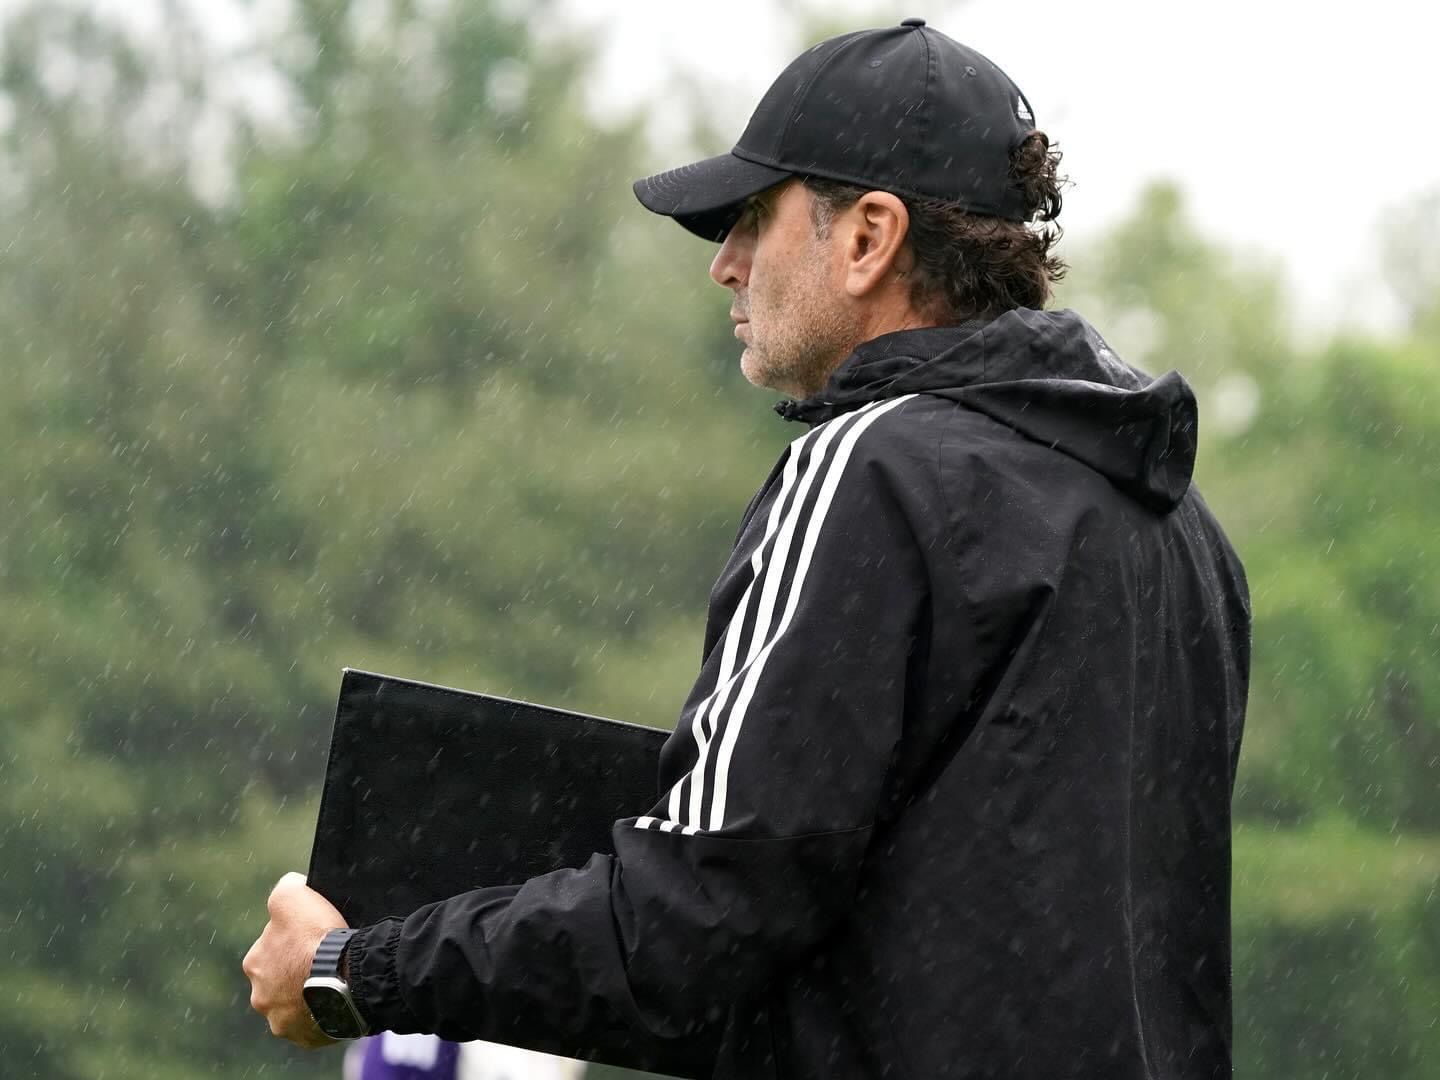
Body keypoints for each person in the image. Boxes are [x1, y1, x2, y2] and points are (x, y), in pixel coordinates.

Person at [244, 20, 1250, 1079]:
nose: (724, 266)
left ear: (868, 237)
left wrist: (358, 968)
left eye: (753, 222)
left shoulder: (868, 468)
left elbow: (693, 921)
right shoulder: (1185, 532)